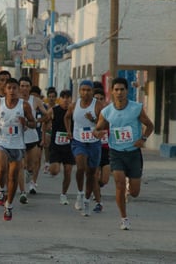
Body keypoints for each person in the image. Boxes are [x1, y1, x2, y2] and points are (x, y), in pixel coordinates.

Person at [93, 77, 153, 230]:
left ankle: (129, 189)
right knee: (118, 183)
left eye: (122, 89)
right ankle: (124, 218)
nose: (119, 92)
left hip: (133, 153)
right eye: (116, 89)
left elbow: (150, 125)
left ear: (127, 91)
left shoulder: (136, 108)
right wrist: (97, 133)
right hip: (116, 152)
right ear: (112, 92)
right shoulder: (106, 112)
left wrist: (143, 138)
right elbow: (98, 128)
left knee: (134, 193)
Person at [0, 78, 37, 220]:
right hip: (1, 141)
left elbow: (34, 124)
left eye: (14, 88)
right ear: (5, 90)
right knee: (1, 169)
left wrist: (27, 123)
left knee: (13, 177)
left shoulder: (24, 106)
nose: (12, 91)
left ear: (18, 90)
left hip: (17, 144)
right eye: (9, 88)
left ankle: (9, 205)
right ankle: (0, 189)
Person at [64, 80, 103, 217]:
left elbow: (104, 124)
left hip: (94, 142)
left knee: (92, 174)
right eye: (83, 90)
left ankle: (87, 201)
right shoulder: (74, 106)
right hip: (78, 140)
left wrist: (93, 120)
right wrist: (69, 131)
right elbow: (67, 118)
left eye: (88, 90)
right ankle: (80, 193)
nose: (85, 93)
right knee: (80, 166)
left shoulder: (98, 106)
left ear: (92, 91)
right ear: (79, 91)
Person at [43, 90, 76, 205]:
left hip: (69, 146)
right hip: (56, 145)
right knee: (55, 171)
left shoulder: (74, 111)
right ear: (60, 99)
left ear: (71, 99)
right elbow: (44, 121)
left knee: (68, 171)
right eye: (63, 97)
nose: (66, 100)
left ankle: (63, 194)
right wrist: (44, 137)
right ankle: (52, 167)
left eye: (68, 97)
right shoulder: (53, 111)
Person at [18, 77, 48, 196]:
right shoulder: (15, 100)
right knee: (20, 164)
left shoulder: (35, 100)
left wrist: (37, 121)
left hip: (32, 136)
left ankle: (30, 177)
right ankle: (22, 191)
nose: (24, 88)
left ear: (30, 88)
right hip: (18, 137)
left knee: (31, 165)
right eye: (22, 86)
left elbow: (47, 115)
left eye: (27, 86)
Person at [91, 87, 111, 213]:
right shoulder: (89, 112)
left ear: (105, 100)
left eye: (101, 99)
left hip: (107, 150)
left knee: (104, 180)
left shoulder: (110, 112)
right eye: (96, 99)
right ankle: (99, 202)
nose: (98, 101)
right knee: (94, 176)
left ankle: (98, 187)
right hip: (94, 147)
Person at [42, 87, 58, 174]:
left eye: (53, 96)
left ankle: (53, 162)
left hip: (56, 130)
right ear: (47, 97)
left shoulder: (58, 108)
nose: (51, 98)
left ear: (56, 98)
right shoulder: (44, 107)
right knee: (47, 144)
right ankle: (47, 162)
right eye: (50, 96)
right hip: (46, 130)